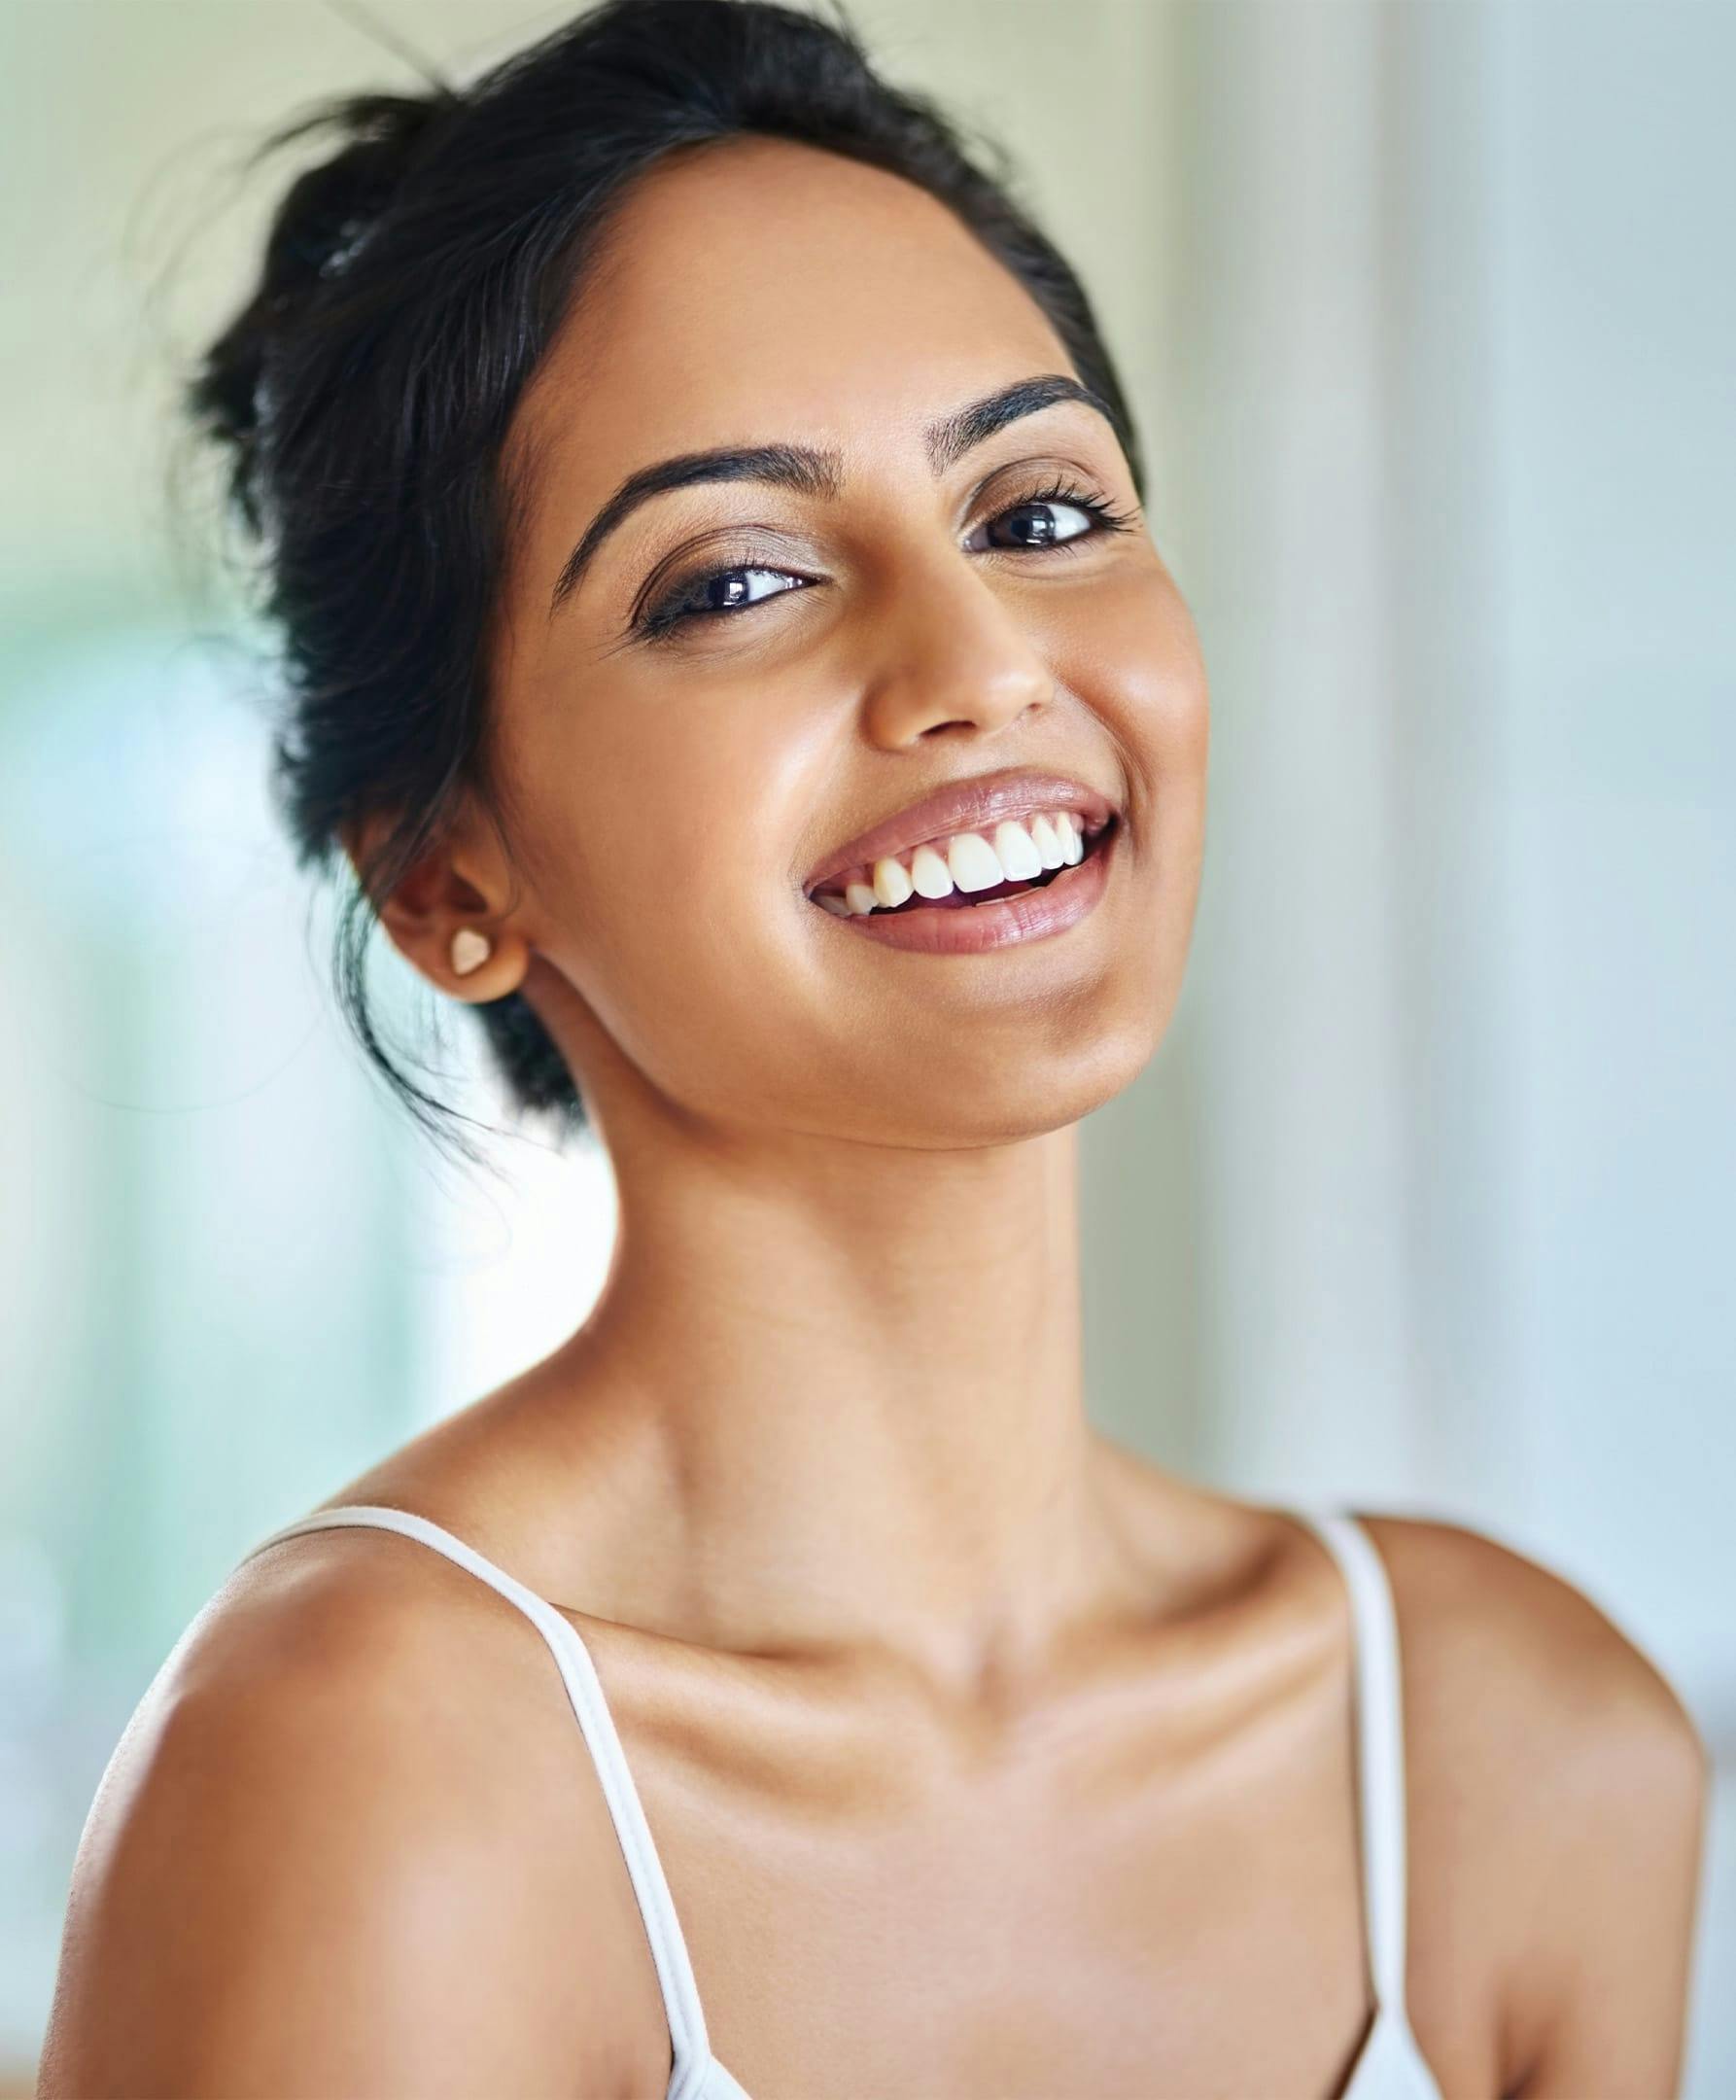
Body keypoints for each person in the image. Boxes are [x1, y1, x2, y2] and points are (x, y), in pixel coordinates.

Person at [39, 3, 1708, 2094]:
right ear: (448, 877)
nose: (975, 661)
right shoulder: (374, 1772)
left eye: (1032, 512)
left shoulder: (1513, 1751)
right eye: (734, 579)